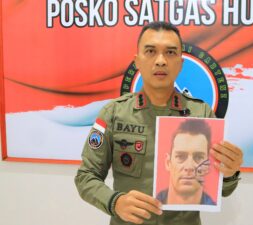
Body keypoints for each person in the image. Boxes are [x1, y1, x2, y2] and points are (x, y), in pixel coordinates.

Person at [75, 21, 243, 225]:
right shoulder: (114, 113)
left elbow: (222, 190)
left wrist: (230, 173)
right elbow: (86, 176)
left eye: (170, 53)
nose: (161, 61)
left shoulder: (201, 114)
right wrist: (114, 202)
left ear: (181, 64)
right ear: (137, 61)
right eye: (151, 51)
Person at [156, 119, 216, 205]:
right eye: (180, 156)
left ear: (208, 165)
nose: (189, 167)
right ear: (168, 163)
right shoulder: (147, 203)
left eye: (199, 157)